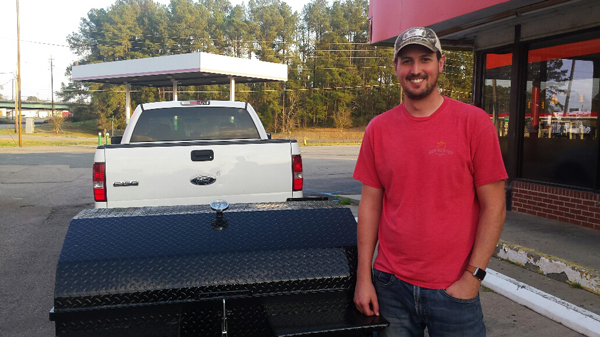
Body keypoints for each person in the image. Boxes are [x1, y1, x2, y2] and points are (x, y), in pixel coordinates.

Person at [353, 27, 508, 336]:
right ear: (396, 67)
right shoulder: (378, 129)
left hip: (454, 290)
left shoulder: (474, 123)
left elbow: (495, 206)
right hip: (390, 286)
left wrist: (472, 278)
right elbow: (370, 205)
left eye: (425, 59)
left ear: (441, 63)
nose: (416, 69)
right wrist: (364, 277)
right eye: (407, 61)